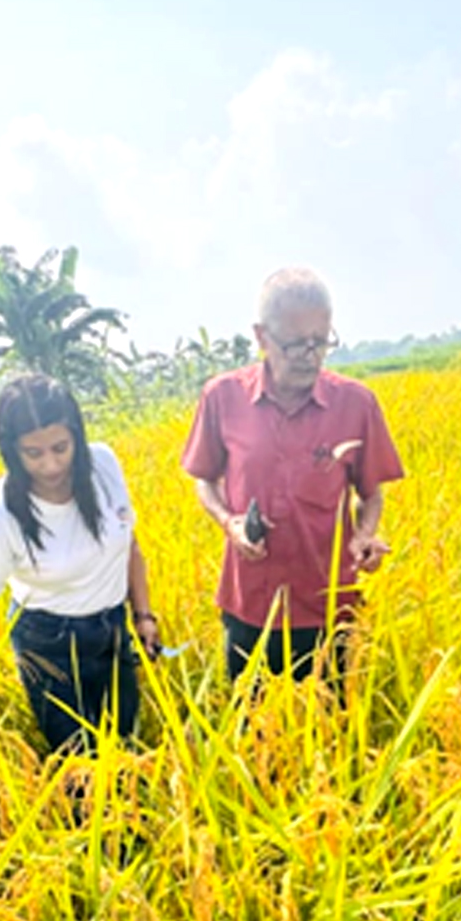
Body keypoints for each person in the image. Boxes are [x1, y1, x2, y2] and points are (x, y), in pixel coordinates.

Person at [181, 267, 404, 684]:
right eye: (295, 344)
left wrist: (364, 535)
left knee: (329, 716)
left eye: (320, 341)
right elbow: (204, 481)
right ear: (262, 337)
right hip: (249, 603)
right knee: (248, 718)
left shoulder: (356, 405)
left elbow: (370, 493)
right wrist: (229, 523)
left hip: (327, 605)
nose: (310, 355)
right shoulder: (222, 397)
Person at [0, 374, 159, 753]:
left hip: (112, 629)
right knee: (79, 764)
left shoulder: (103, 465)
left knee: (127, 748)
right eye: (33, 453)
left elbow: (128, 544)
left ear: (76, 437)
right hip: (48, 645)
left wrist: (143, 615)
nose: (51, 465)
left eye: (60, 448)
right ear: (12, 451)